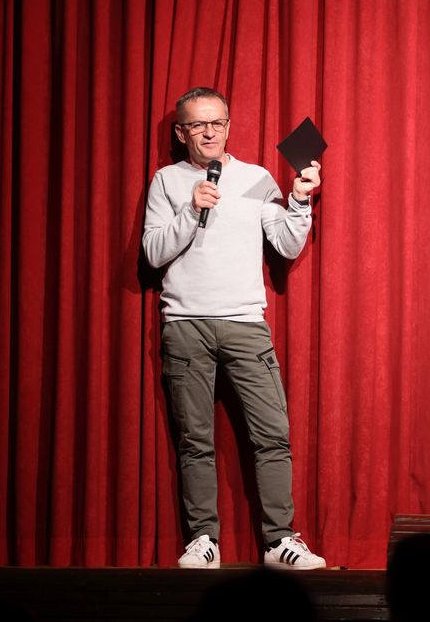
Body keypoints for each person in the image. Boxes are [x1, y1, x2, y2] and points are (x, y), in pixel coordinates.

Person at [142, 87, 326, 570]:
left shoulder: (255, 178)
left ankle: (279, 541)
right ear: (181, 132)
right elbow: (153, 253)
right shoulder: (167, 181)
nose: (209, 132)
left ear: (228, 126)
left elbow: (286, 244)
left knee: (273, 436)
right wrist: (191, 209)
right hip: (186, 325)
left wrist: (299, 200)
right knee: (194, 441)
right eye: (198, 124)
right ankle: (204, 539)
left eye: (217, 123)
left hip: (245, 323)